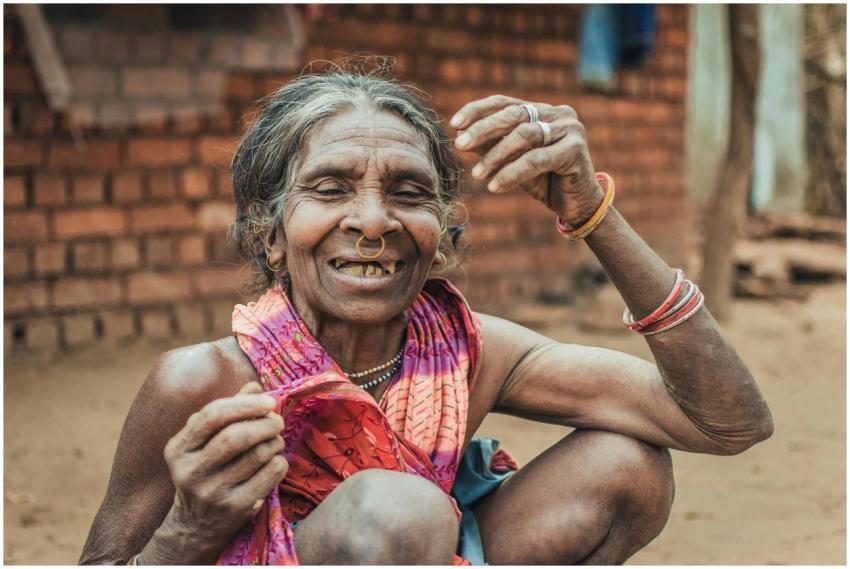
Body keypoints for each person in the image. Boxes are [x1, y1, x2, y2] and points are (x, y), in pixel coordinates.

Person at [80, 69, 773, 566]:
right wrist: (184, 536)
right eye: (330, 188)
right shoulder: (201, 381)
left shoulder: (472, 353)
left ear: (440, 236)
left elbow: (727, 421)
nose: (374, 221)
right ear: (270, 232)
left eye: (409, 192)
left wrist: (592, 211)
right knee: (400, 510)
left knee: (629, 463)